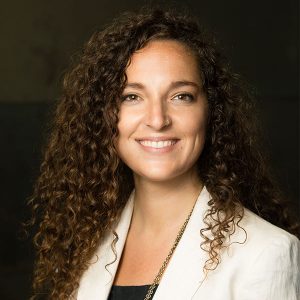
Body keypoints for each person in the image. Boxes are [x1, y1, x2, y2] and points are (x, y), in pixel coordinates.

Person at [28, 7, 300, 300]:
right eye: (132, 97)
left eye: (181, 96)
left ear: (211, 112)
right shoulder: (87, 242)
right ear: (103, 115)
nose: (157, 120)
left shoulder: (266, 254)